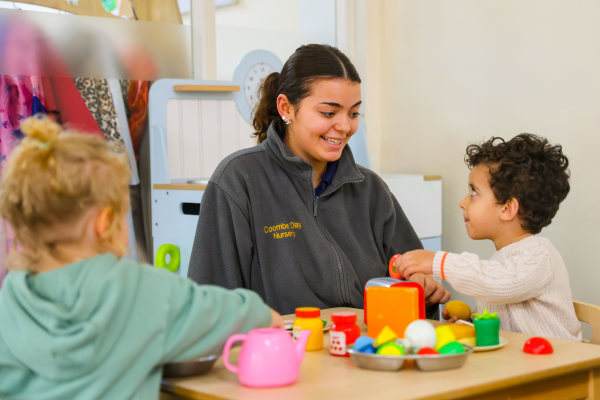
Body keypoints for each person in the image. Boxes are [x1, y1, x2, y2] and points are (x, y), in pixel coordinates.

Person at [0, 116, 283, 399]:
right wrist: (264, 314)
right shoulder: (139, 290)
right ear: (104, 222)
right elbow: (229, 313)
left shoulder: (8, 302)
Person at [188, 43, 450, 316]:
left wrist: (424, 293)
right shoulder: (239, 180)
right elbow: (210, 308)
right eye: (328, 113)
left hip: (366, 352)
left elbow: (411, 285)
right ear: (286, 108)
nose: (345, 126)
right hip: (283, 354)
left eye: (353, 113)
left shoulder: (371, 189)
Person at [394, 133, 582, 341]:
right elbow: (508, 323)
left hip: (559, 367)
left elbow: (503, 283)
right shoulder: (502, 263)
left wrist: (439, 262)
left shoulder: (539, 254)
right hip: (523, 363)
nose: (463, 202)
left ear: (508, 208)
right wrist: (472, 323)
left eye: (474, 192)